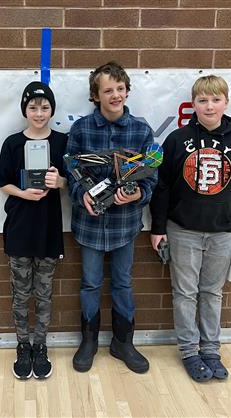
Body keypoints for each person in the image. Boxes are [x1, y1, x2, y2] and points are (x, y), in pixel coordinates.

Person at [149, 75, 231, 382]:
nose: (209, 106)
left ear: (226, 103)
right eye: (202, 100)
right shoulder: (177, 140)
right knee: (185, 293)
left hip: (222, 232)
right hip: (182, 229)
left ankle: (210, 349)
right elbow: (163, 187)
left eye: (215, 99)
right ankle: (189, 352)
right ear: (192, 104)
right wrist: (158, 228)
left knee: (212, 292)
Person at [66, 61, 157, 374]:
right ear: (96, 95)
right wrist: (83, 196)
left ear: (127, 91)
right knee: (90, 283)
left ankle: (123, 342)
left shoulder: (142, 130)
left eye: (120, 89)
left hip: (125, 225)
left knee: (123, 283)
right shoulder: (80, 130)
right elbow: (71, 173)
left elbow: (151, 178)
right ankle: (89, 340)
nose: (115, 95)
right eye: (108, 90)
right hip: (89, 224)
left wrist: (138, 194)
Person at [0, 81, 67, 380]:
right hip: (20, 228)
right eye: (33, 107)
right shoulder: (12, 143)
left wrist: (58, 182)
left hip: (49, 229)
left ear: (52, 110)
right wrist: (24, 193)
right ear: (25, 110)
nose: (39, 113)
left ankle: (41, 346)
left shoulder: (63, 142)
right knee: (21, 293)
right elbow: (2, 182)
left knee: (45, 293)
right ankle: (22, 345)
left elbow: (70, 182)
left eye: (45, 107)